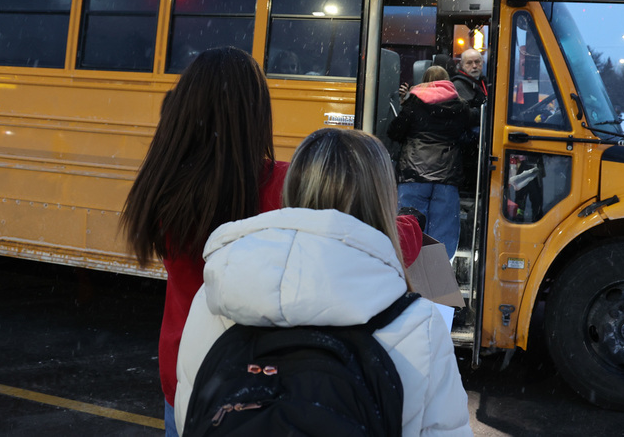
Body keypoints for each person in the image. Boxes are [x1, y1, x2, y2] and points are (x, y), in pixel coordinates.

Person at [174, 128, 472, 436]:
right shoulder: (420, 323)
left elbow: (192, 417)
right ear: (384, 200)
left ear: (292, 189)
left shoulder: (216, 298)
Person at [119, 47, 289, 437]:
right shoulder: (279, 185)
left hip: (183, 372)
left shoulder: (162, 186)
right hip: (255, 376)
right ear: (255, 112)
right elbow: (362, 234)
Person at [388, 65, 471, 259]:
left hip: (413, 176)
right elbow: (468, 138)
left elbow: (394, 132)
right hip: (446, 179)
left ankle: (410, 276)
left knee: (408, 229)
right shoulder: (461, 107)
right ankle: (437, 275)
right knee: (443, 235)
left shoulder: (414, 103)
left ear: (424, 81)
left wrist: (404, 106)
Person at [451, 48, 488, 192]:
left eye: (477, 62)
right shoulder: (459, 85)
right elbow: (463, 116)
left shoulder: (482, 82)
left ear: (482, 63)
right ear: (462, 66)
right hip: (466, 145)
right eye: (469, 63)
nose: (474, 66)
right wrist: (486, 114)